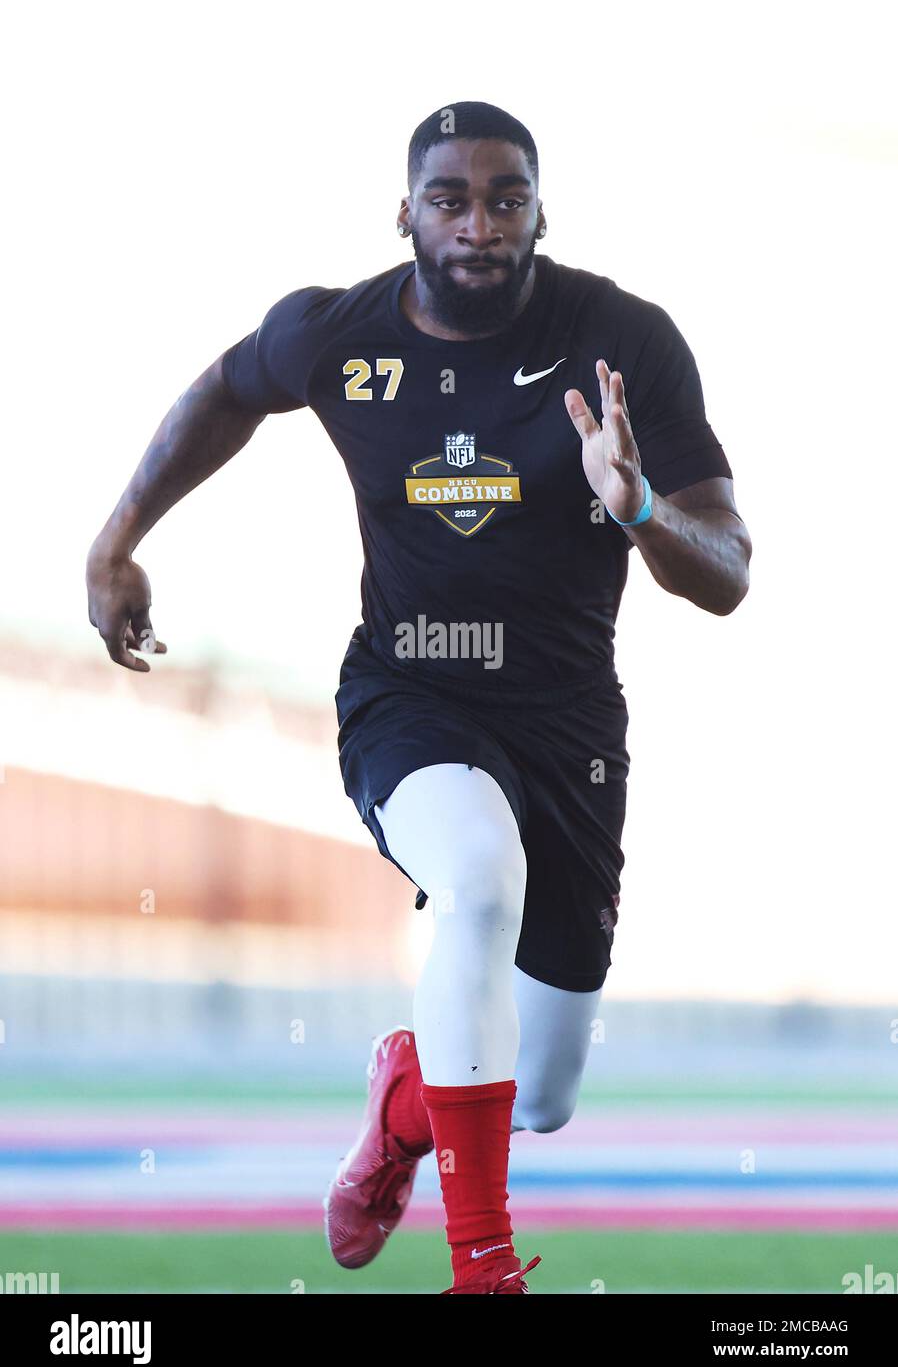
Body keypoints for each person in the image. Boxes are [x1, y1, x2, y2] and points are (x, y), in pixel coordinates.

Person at [86, 100, 752, 1295]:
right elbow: (227, 389)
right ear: (404, 215)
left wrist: (641, 512)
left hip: (568, 725)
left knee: (539, 1095)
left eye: (507, 198)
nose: (480, 223)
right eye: (450, 198)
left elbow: (730, 574)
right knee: (478, 881)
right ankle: (481, 1267)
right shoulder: (336, 333)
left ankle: (406, 1095)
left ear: (542, 213)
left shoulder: (625, 341)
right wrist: (118, 541)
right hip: (410, 694)